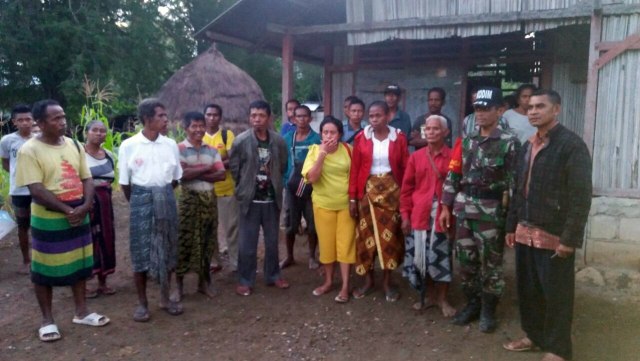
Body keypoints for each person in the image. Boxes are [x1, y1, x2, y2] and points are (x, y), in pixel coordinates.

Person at [503, 90, 592, 361]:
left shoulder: (571, 146)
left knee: (556, 296)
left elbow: (580, 196)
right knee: (529, 292)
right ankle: (534, 336)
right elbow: (519, 189)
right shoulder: (527, 144)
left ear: (557, 110)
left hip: (553, 235)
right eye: (529, 107)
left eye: (540, 106)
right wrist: (511, 225)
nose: (532, 111)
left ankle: (558, 349)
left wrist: (570, 239)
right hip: (525, 232)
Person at [15, 99, 109, 342]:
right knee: (44, 268)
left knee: (79, 263)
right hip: (49, 218)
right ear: (41, 123)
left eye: (63, 116)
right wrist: (68, 210)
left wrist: (86, 205)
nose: (63, 121)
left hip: (78, 213)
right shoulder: (30, 150)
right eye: (56, 118)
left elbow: (86, 178)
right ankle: (47, 320)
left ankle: (82, 311)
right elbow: (36, 189)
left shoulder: (73, 145)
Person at [439, 87, 519, 333]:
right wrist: (445, 206)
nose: (481, 114)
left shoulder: (509, 143)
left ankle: (488, 310)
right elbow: (454, 175)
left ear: (499, 110)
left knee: (491, 265)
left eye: (486, 109)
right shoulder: (467, 140)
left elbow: (515, 185)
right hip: (464, 212)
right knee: (465, 263)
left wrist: (511, 223)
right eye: (478, 109)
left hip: (491, 214)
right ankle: (472, 305)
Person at [118, 98, 183, 321]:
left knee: (168, 247)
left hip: (165, 198)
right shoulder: (129, 146)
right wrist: (142, 201)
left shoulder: (170, 145)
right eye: (161, 116)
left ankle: (166, 298)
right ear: (147, 119)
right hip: (140, 200)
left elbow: (175, 179)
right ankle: (143, 303)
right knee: (140, 252)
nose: (166, 120)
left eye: (166, 116)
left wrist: (161, 195)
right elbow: (125, 184)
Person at [349, 100, 409, 302]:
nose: (374, 119)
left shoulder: (398, 138)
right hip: (367, 193)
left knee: (388, 238)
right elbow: (356, 169)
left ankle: (386, 282)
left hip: (392, 193)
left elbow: (405, 167)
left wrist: (406, 198)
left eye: (378, 115)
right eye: (371, 116)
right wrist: (352, 198)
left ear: (387, 116)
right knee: (366, 238)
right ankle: (368, 281)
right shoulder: (361, 138)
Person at [229, 100, 289, 296]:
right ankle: (246, 280)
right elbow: (235, 169)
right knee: (247, 244)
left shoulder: (278, 141)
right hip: (250, 200)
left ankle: (273, 275)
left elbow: (282, 165)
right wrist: (244, 188)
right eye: (253, 115)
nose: (257, 119)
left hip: (271, 200)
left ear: (269, 118)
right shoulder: (241, 141)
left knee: (272, 242)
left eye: (261, 115)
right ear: (249, 117)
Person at [400, 115, 454, 316]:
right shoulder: (416, 157)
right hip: (419, 216)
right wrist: (405, 215)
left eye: (435, 129)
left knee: (442, 257)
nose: (430, 132)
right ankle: (429, 296)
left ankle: (442, 299)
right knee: (420, 258)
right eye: (427, 129)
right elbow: (406, 190)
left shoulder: (453, 158)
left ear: (445, 132)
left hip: (443, 217)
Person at [302, 116, 355, 303]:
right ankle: (328, 281)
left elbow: (355, 177)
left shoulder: (349, 150)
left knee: (346, 245)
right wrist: (323, 154)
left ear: (340, 134)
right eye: (325, 132)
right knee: (326, 245)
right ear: (320, 134)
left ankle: (345, 286)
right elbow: (312, 178)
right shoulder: (314, 151)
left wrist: (354, 200)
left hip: (345, 205)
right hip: (323, 205)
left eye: (333, 132)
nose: (329, 136)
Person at [175, 112, 226, 300]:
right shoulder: (178, 149)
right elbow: (181, 175)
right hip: (188, 200)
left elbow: (221, 175)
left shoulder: (212, 150)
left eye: (201, 126)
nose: (198, 130)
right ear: (186, 127)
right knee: (184, 241)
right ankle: (178, 286)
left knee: (207, 240)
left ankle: (204, 283)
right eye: (194, 126)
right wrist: (207, 168)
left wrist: (193, 171)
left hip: (209, 199)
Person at [280, 105, 321, 270]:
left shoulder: (317, 139)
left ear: (310, 119)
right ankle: (289, 256)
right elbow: (283, 161)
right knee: (290, 223)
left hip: (311, 188)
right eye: (298, 116)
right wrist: (285, 181)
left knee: (312, 223)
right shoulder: (287, 138)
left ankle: (312, 256)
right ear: (293, 119)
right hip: (291, 187)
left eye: (305, 116)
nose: (302, 119)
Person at [203, 103, 239, 272]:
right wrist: (218, 164)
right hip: (205, 190)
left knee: (232, 228)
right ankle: (214, 261)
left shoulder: (226, 135)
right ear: (204, 116)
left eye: (215, 115)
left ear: (220, 117)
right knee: (209, 227)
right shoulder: (199, 136)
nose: (212, 118)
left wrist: (208, 166)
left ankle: (236, 263)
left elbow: (232, 160)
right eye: (209, 114)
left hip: (226, 189)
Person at [83, 120, 117, 298]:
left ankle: (103, 281)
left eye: (103, 131)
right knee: (88, 240)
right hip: (86, 204)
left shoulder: (109, 155)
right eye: (94, 130)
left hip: (105, 205)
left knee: (105, 239)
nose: (99, 134)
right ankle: (85, 283)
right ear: (86, 132)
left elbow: (111, 180)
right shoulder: (78, 153)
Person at [0, 104, 34, 274]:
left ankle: (43, 257)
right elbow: (6, 163)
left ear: (33, 120)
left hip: (40, 190)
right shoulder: (7, 141)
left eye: (28, 119)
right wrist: (19, 175)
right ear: (14, 122)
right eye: (20, 120)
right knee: (23, 225)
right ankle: (26, 260)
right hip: (19, 191)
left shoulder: (40, 138)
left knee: (41, 224)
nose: (25, 123)